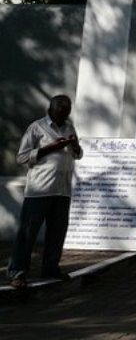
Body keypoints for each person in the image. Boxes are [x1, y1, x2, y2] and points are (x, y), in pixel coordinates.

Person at [6, 94, 83, 288]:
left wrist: (75, 146)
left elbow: (78, 155)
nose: (62, 117)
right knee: (28, 232)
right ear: (50, 110)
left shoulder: (69, 127)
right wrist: (52, 148)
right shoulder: (37, 127)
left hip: (62, 189)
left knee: (57, 232)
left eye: (66, 114)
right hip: (39, 189)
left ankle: (50, 268)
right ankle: (17, 272)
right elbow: (22, 157)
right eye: (59, 113)